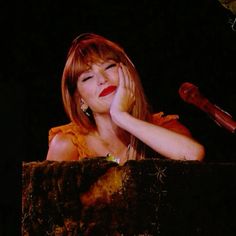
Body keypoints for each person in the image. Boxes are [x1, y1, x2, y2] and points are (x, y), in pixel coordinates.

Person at [46, 33, 205, 165]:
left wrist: (121, 116)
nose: (102, 79)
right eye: (87, 78)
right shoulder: (68, 144)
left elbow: (194, 155)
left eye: (109, 67)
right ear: (80, 100)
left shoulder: (164, 127)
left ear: (129, 73)